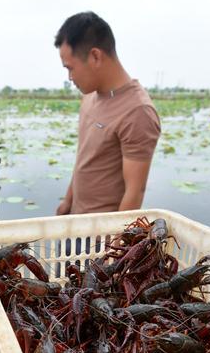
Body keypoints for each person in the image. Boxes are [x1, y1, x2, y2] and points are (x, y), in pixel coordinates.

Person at [54, 12, 161, 215]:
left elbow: (134, 192)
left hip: (102, 235)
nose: (69, 77)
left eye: (70, 68)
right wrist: (68, 201)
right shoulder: (89, 96)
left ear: (95, 56)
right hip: (75, 222)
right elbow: (84, 159)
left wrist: (116, 243)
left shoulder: (137, 112)